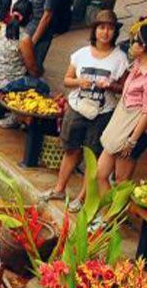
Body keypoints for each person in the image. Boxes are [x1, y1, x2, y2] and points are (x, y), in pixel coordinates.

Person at [45, 10, 128, 201]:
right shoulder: (81, 54)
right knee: (71, 149)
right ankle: (59, 188)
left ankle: (81, 198)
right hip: (77, 107)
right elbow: (67, 79)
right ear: (94, 30)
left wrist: (110, 86)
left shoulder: (120, 59)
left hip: (103, 112)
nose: (105, 32)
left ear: (115, 32)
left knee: (93, 156)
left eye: (110, 28)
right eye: (101, 28)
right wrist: (78, 82)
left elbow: (124, 88)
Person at [96, 24, 147, 187]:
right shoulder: (137, 64)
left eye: (135, 41)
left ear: (144, 47)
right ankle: (108, 212)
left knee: (121, 182)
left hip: (135, 132)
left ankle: (113, 213)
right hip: (121, 123)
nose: (131, 43)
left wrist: (132, 141)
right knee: (100, 174)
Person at [0, 5, 48, 100]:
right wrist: (40, 73)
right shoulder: (24, 39)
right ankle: (18, 112)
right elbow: (32, 69)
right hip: (5, 84)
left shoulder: (3, 29)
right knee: (44, 86)